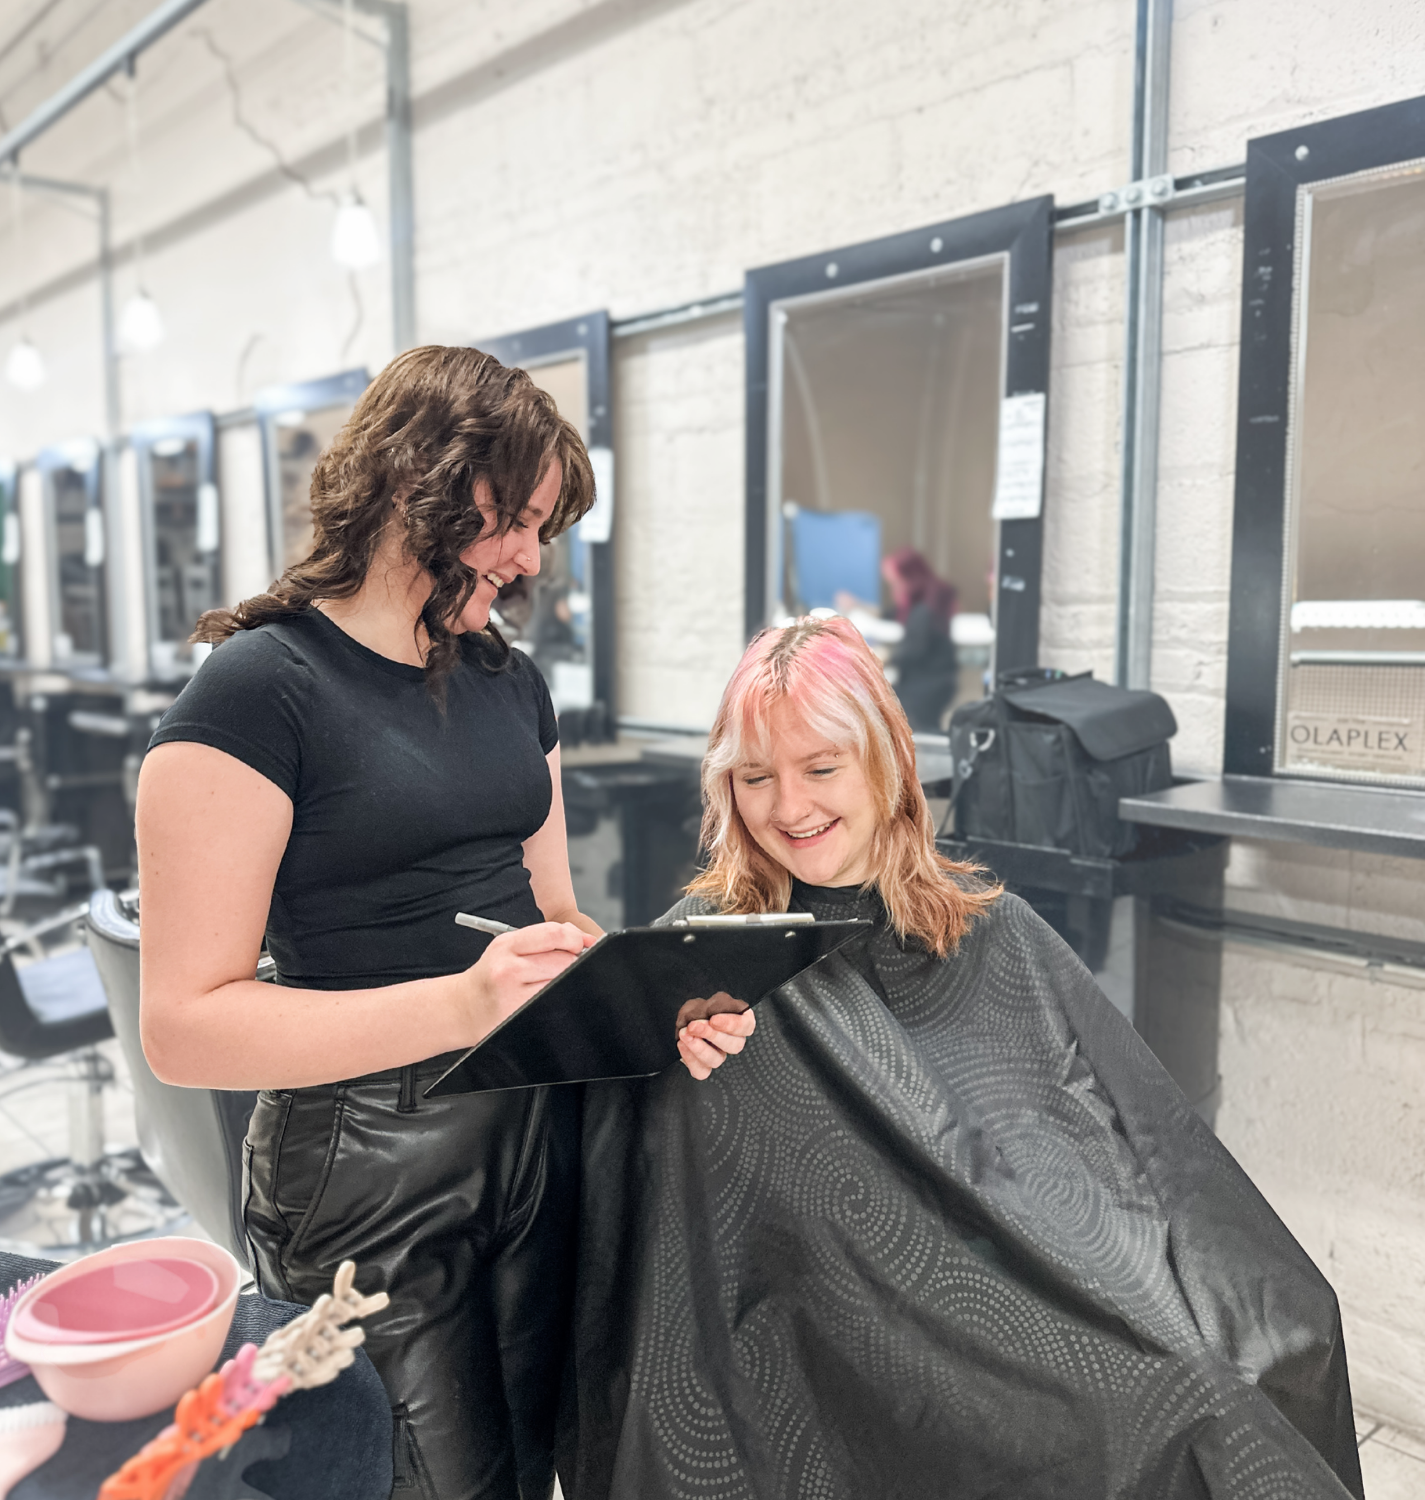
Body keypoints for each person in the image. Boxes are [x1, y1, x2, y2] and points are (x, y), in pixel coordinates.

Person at [135, 345, 751, 1500]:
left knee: (537, 1468)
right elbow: (183, 1024)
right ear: (413, 482)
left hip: (535, 1133)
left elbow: (553, 911)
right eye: (513, 520)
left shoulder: (510, 683)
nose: (528, 558)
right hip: (368, 1167)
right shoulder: (257, 691)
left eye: (542, 528)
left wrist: (649, 1001)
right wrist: (463, 1003)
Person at [559, 616, 1363, 1500]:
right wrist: (659, 1066)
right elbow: (641, 1208)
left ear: (886, 763)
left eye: (821, 768)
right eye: (756, 777)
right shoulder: (699, 963)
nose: (789, 808)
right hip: (856, 1331)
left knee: (1276, 1338)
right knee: (1164, 1418)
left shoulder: (993, 929)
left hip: (1034, 1278)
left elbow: (1128, 1144)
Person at [882, 545, 958, 731]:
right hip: (934, 682)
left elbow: (914, 650)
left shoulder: (924, 611)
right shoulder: (927, 602)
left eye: (897, 583)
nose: (895, 590)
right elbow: (892, 614)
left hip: (926, 687)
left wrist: (884, 658)